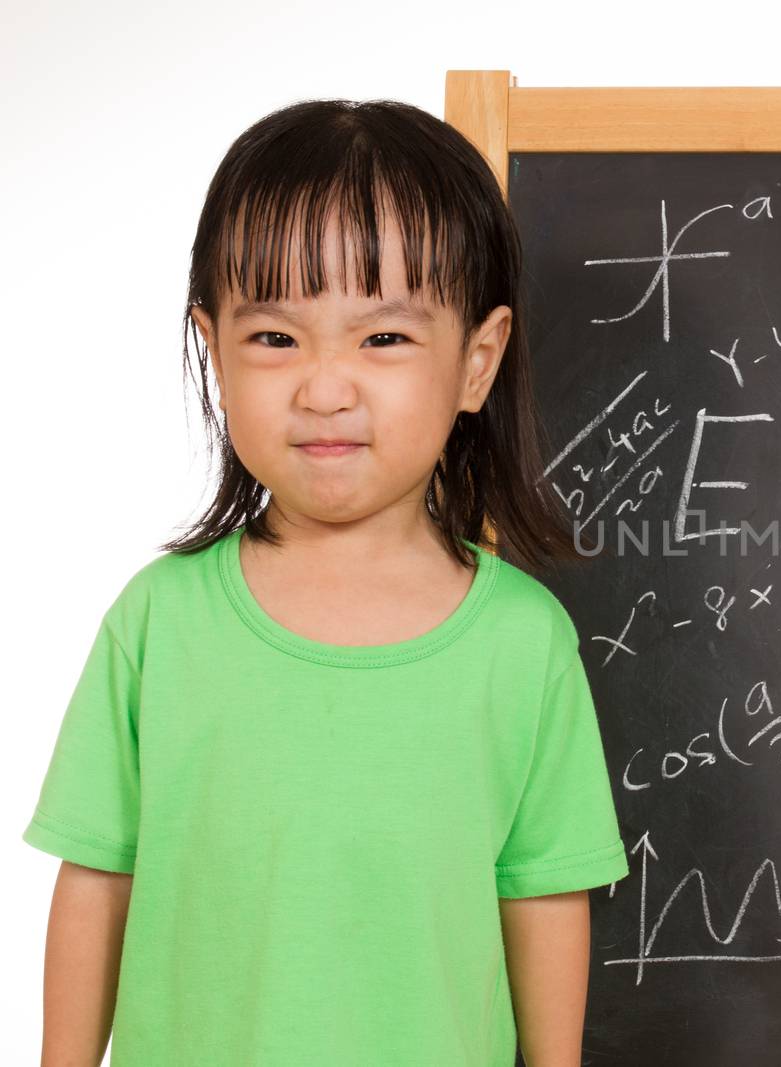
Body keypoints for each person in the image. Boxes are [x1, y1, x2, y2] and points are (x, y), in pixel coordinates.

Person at [21, 97, 630, 1066]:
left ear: (475, 360)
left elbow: (543, 891)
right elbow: (98, 876)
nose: (325, 386)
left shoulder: (521, 639)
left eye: (382, 338)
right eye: (275, 337)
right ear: (213, 348)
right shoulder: (159, 619)